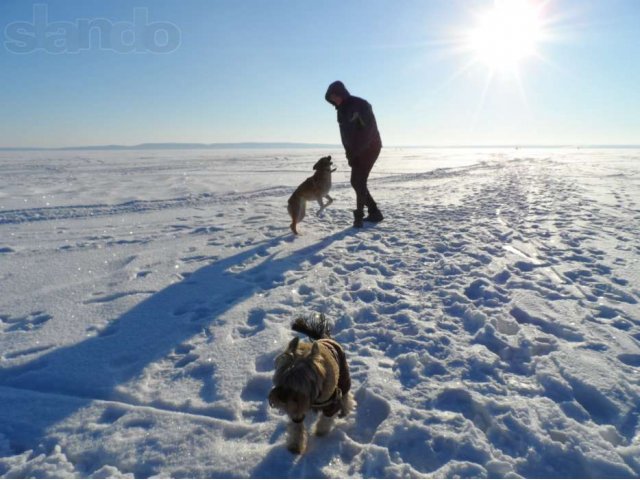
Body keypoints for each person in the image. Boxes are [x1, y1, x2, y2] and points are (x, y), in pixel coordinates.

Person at [325, 81, 383, 228]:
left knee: (358, 181)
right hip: (356, 151)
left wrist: (358, 153)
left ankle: (360, 216)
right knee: (356, 181)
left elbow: (368, 131)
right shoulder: (341, 111)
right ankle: (374, 212)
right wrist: (350, 154)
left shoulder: (360, 104)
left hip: (370, 147)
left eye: (335, 96)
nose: (334, 100)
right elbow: (346, 137)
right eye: (331, 98)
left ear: (341, 93)